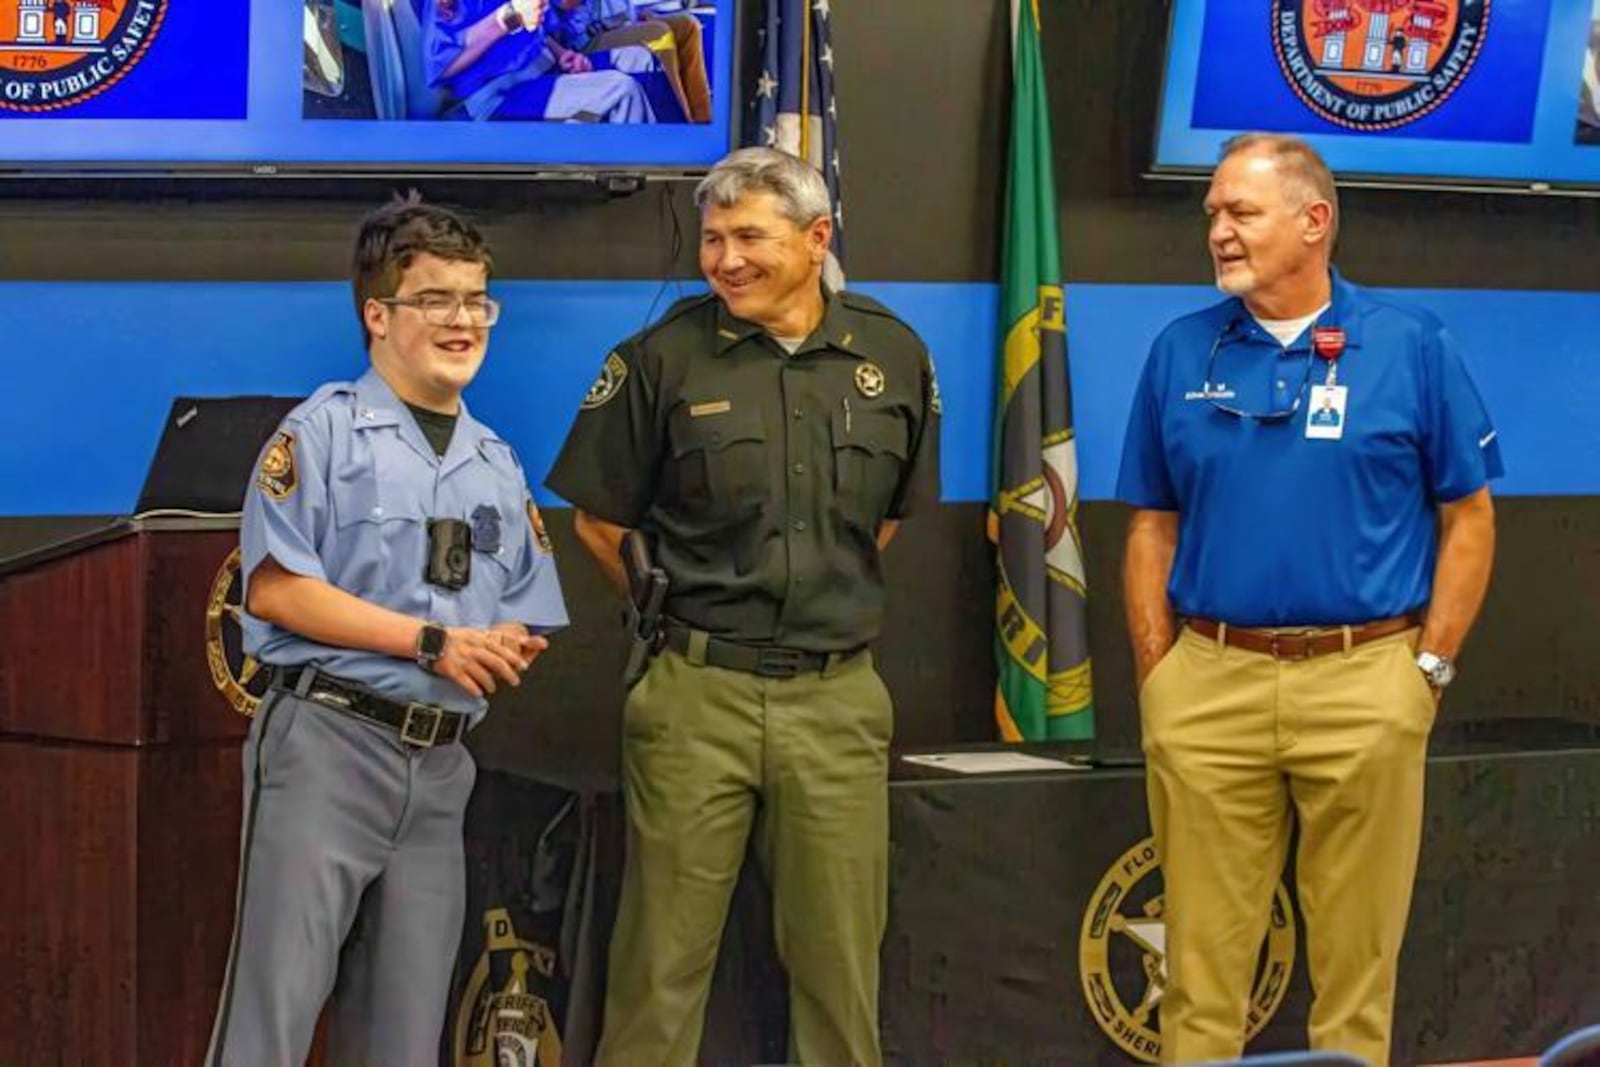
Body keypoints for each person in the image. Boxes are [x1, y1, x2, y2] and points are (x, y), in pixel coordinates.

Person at [546, 146, 940, 1067]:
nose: (726, 259)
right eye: (714, 239)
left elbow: (880, 523)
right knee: (659, 970)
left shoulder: (892, 353)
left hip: (837, 701)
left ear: (816, 239)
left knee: (841, 971)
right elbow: (599, 523)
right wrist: (686, 619)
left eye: (750, 237)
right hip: (695, 698)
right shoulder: (660, 357)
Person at [1117, 132, 1500, 1066]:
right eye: (1212, 212)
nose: (1218, 231)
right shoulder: (1181, 349)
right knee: (1199, 975)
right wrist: (1161, 677)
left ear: (1314, 220)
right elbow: (1149, 528)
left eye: (1240, 211)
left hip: (1365, 680)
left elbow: (1470, 519)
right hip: (1209, 684)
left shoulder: (1411, 344)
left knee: (1356, 971)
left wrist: (1428, 670)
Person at [206, 195, 568, 1067]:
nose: (464, 320)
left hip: (440, 770)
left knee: (404, 1037)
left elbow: (526, 604)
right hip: (328, 747)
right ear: (378, 314)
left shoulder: (495, 461)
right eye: (436, 299)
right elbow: (279, 591)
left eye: (478, 299)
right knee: (273, 1018)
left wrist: (505, 643)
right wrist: (434, 642)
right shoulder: (320, 433)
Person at [423, 0, 655, 123]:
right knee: (621, 91)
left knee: (641, 58)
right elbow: (441, 64)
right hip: (496, 98)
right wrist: (507, 18)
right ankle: (639, 202)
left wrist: (561, 54)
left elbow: (537, 29)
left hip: (542, 69)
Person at [549, 0, 712, 122]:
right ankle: (682, 121)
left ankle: (703, 118)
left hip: (616, 24)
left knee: (686, 25)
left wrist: (636, 14)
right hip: (582, 40)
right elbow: (565, 3)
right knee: (658, 33)